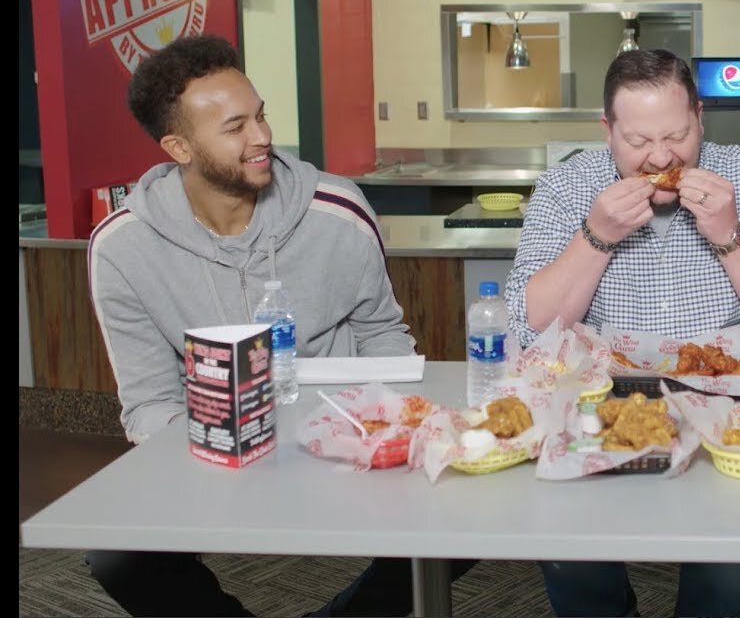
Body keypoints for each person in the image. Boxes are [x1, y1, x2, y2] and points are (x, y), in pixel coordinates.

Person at [86, 34, 471, 616]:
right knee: (117, 557)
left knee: (464, 519)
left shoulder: (337, 210)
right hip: (215, 452)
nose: (262, 136)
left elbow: (383, 337)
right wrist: (219, 457)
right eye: (235, 126)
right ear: (179, 147)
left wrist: (385, 432)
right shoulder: (122, 247)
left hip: (340, 446)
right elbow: (146, 402)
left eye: (260, 115)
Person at [506, 47, 740, 617]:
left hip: (732, 411)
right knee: (567, 553)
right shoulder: (564, 187)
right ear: (607, 130)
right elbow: (527, 333)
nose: (660, 156)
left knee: (730, 575)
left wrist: (729, 233)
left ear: (700, 116)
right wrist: (597, 236)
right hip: (598, 405)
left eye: (678, 136)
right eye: (637, 142)